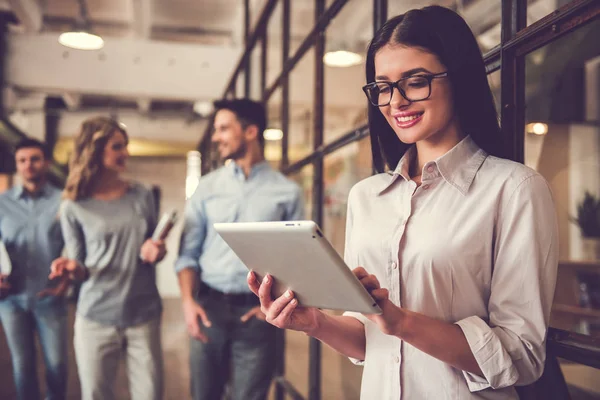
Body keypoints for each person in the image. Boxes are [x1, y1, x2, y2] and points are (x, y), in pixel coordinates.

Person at [249, 6, 558, 400]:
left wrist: (401, 322)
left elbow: (523, 356)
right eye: (382, 87)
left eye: (416, 81)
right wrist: (313, 322)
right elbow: (371, 342)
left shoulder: (514, 189)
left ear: (459, 78)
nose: (396, 102)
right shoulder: (367, 197)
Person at [175, 98, 304, 400]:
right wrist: (187, 304)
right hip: (209, 308)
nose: (216, 137)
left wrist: (269, 308)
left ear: (249, 131)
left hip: (257, 314)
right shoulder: (205, 188)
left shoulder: (287, 192)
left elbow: (297, 259)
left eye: (223, 129)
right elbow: (187, 254)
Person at [48, 117, 166, 400]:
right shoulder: (74, 205)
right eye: (117, 147)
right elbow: (80, 266)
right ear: (94, 150)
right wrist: (70, 267)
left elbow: (152, 245)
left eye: (125, 146)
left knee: (150, 395)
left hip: (143, 314)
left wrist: (157, 251)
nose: (125, 152)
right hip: (96, 317)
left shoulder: (141, 195)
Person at [0, 138, 68, 400]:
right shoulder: (3, 203)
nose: (29, 165)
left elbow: (74, 246)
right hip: (11, 300)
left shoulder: (63, 201)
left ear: (46, 163)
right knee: (23, 366)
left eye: (35, 159)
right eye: (23, 160)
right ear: (17, 165)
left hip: (49, 296)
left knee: (57, 366)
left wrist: (67, 283)